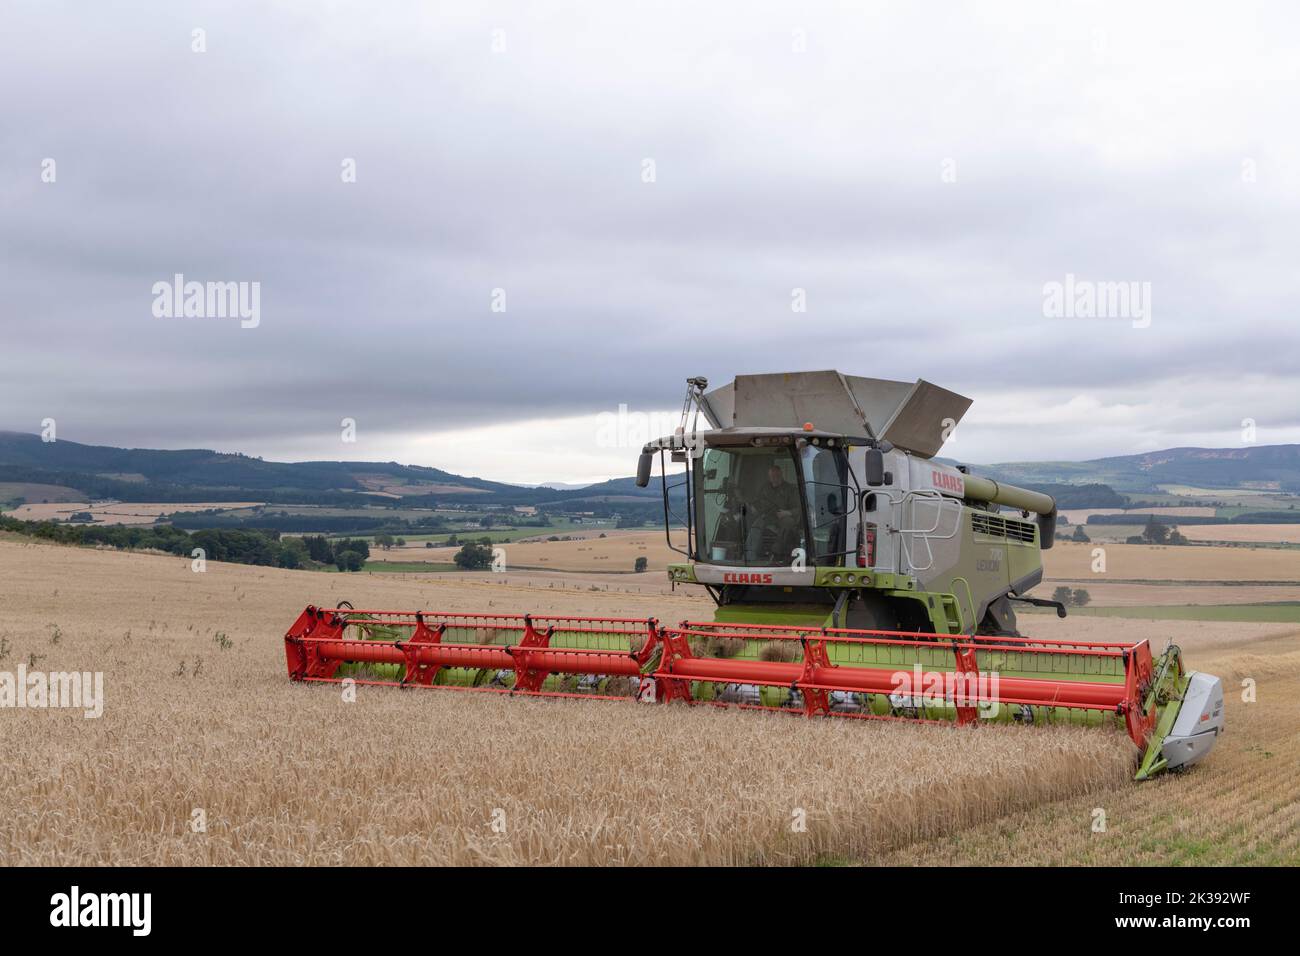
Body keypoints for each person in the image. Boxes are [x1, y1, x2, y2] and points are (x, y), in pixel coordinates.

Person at [745, 463, 802, 562]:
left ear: (781, 476)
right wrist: (753, 507)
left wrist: (787, 513)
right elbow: (757, 501)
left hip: (784, 517)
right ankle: (749, 555)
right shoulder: (765, 488)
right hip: (767, 516)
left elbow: (799, 508)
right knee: (755, 525)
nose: (774, 478)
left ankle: (776, 554)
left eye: (777, 476)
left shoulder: (791, 489)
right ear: (769, 477)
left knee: (788, 523)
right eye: (772, 476)